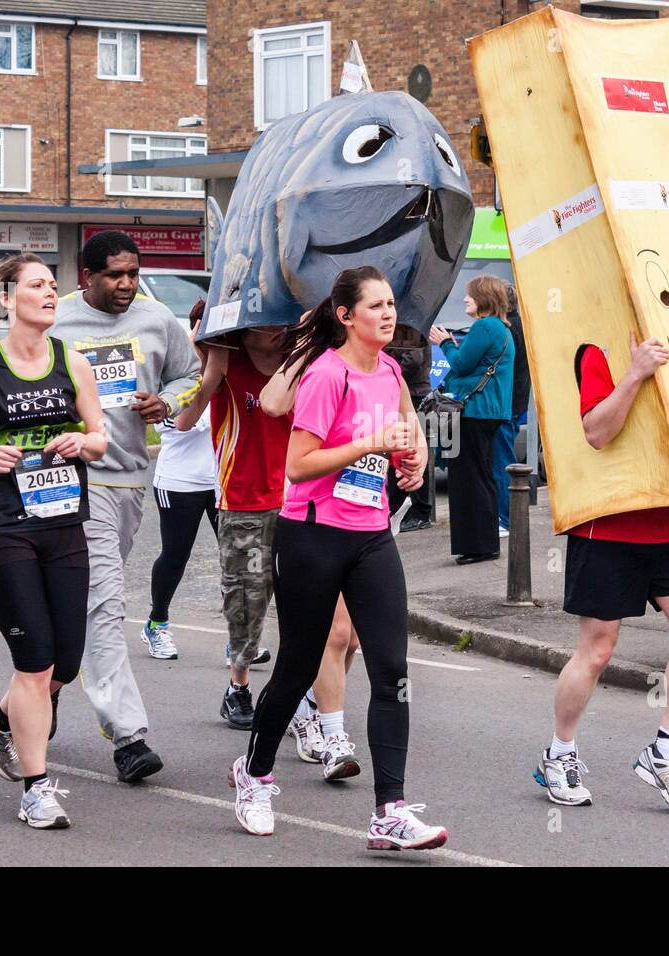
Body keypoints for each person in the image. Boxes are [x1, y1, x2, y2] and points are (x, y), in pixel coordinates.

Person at [229, 265, 446, 850]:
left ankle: (390, 811)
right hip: (313, 534)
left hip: (371, 534)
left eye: (391, 304)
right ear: (346, 316)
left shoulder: (392, 370)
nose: (388, 313)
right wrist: (370, 445)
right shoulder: (327, 375)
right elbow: (298, 465)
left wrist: (413, 460)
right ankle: (254, 775)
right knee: (299, 665)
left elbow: (409, 429)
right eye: (373, 306)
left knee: (392, 671)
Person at [533, 332, 669, 812]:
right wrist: (635, 371)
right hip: (607, 527)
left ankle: (665, 752)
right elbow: (597, 431)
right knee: (596, 652)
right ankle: (560, 753)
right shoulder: (598, 348)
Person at [0, 253, 107, 828]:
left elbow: (101, 436)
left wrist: (83, 444)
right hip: (0, 528)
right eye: (37, 286)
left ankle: (0, 716)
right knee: (35, 662)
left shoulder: (72, 362)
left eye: (53, 285)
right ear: (7, 300)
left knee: (65, 664)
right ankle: (36, 786)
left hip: (62, 524)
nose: (51, 293)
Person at [52, 229, 200, 783]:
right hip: (71, 480)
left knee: (80, 603)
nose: (126, 284)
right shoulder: (57, 319)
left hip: (131, 480)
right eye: (115, 275)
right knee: (105, 602)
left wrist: (168, 402)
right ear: (86, 276)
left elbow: (192, 376)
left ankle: (24, 700)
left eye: (133, 274)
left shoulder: (157, 318)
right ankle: (130, 736)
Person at [258, 323, 364, 780]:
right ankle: (332, 735)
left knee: (353, 637)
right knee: (334, 633)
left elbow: (406, 416)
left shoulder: (382, 361)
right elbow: (272, 403)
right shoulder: (317, 365)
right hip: (315, 513)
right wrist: (306, 344)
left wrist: (414, 453)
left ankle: (310, 699)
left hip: (369, 507)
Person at [176, 320, 286, 731]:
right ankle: (237, 687)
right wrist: (211, 366)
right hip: (243, 501)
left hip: (299, 501)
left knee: (304, 605)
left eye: (284, 321)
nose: (277, 329)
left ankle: (302, 695)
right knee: (246, 602)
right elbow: (185, 421)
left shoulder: (300, 359)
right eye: (266, 323)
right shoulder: (229, 359)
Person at [142, 300, 219, 660]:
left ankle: (239, 639)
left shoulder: (229, 364)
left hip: (223, 480)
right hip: (179, 480)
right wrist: (201, 367)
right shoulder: (175, 367)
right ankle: (157, 624)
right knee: (176, 556)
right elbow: (170, 422)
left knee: (236, 560)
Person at [427, 275, 514, 564]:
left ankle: (477, 545)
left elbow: (461, 364)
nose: (466, 299)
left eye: (470, 296)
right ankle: (483, 542)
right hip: (487, 411)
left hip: (472, 411)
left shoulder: (484, 326)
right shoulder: (500, 328)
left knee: (468, 481)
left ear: (484, 300)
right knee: (481, 477)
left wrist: (446, 343)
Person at [385, 324, 434, 532]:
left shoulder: (411, 327)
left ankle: (421, 512)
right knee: (402, 452)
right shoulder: (406, 325)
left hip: (414, 394)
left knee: (414, 451)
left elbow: (413, 360)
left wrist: (385, 368)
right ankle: (398, 507)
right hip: (409, 391)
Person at [492, 283, 531, 537]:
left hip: (506, 404)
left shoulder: (508, 328)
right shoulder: (521, 324)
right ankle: (505, 517)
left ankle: (506, 519)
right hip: (516, 402)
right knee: (504, 460)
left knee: (502, 463)